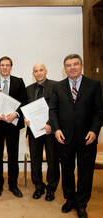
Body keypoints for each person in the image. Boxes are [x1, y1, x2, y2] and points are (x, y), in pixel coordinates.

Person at [49, 54, 103, 218]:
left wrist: (94, 130)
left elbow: (99, 111)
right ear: (64, 68)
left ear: (81, 66)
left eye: (75, 64)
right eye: (68, 65)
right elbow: (53, 111)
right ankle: (70, 199)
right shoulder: (58, 87)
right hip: (64, 137)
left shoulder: (93, 84)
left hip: (87, 137)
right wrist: (56, 129)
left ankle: (81, 203)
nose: (72, 67)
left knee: (85, 171)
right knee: (67, 170)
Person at [0, 56, 28, 198]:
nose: (5, 67)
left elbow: (24, 101)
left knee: (13, 155)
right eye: (2, 65)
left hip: (12, 125)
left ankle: (13, 185)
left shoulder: (19, 82)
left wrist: (16, 114)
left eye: (7, 65)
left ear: (11, 67)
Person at [25, 63, 60, 201]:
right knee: (35, 159)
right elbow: (25, 108)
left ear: (46, 71)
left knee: (52, 160)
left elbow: (58, 108)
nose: (39, 73)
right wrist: (25, 119)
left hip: (50, 130)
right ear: (33, 73)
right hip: (34, 131)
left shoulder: (56, 86)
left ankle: (51, 188)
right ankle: (38, 186)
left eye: (41, 70)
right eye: (36, 71)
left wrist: (50, 124)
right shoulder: (28, 89)